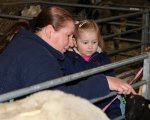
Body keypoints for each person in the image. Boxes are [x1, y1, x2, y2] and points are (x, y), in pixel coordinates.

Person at [0, 6, 135, 105]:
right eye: (68, 35)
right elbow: (56, 100)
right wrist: (104, 82)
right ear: (49, 32)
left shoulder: (24, 42)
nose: (72, 43)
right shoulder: (40, 58)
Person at [63, 20, 135, 119]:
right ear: (75, 42)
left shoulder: (103, 58)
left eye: (94, 42)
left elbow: (113, 86)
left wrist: (115, 115)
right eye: (85, 42)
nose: (90, 46)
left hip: (104, 106)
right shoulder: (68, 60)